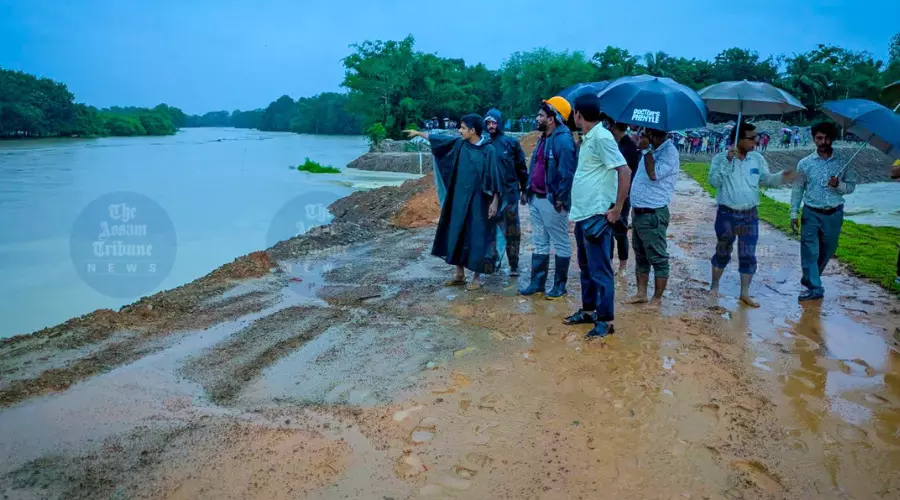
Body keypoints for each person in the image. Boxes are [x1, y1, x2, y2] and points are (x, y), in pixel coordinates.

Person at [404, 114, 504, 291]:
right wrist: (419, 133)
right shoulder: (460, 145)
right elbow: (440, 140)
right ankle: (459, 274)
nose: (460, 130)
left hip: (479, 203)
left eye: (463, 128)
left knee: (477, 237)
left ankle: (476, 278)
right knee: (457, 233)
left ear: (473, 131)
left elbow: (495, 178)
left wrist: (494, 202)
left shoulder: (489, 151)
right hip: (458, 199)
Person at [562, 95, 631, 338]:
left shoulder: (602, 137)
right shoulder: (590, 138)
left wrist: (617, 209)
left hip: (597, 216)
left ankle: (606, 321)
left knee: (600, 270)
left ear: (578, 114)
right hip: (584, 215)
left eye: (574, 114)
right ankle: (589, 310)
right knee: (586, 268)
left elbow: (625, 170)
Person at [708, 123, 796, 307]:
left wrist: (782, 176)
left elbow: (766, 180)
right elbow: (714, 182)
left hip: (750, 215)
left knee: (748, 254)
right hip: (726, 214)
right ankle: (714, 285)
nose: (756, 141)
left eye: (756, 137)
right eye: (751, 138)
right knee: (723, 251)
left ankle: (744, 294)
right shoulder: (720, 158)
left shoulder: (757, 158)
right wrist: (727, 161)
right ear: (738, 139)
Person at [790, 121, 858, 301]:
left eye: (827, 137)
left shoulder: (843, 162)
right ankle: (815, 288)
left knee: (827, 250)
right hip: (811, 212)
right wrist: (793, 213)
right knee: (810, 251)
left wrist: (839, 185)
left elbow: (851, 187)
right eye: (819, 138)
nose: (823, 141)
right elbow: (798, 189)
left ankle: (811, 278)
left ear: (833, 138)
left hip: (834, 213)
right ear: (814, 139)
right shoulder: (804, 164)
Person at [519, 96, 577, 299]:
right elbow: (536, 166)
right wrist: (527, 190)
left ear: (552, 119)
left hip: (552, 200)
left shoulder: (563, 140)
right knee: (540, 241)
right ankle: (537, 283)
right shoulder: (545, 137)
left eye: (541, 115)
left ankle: (559, 286)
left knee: (560, 242)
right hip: (537, 197)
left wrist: (561, 198)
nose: (537, 118)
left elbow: (567, 172)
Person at [627, 128, 680, 304]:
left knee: (658, 257)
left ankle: (656, 299)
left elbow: (653, 174)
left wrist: (646, 150)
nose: (642, 137)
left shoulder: (669, 152)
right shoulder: (653, 150)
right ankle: (641, 293)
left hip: (653, 213)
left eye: (645, 134)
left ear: (653, 135)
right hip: (640, 212)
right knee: (640, 255)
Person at [484, 109, 528, 276]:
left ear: (500, 123)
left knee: (512, 230)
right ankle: (490, 263)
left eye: (494, 122)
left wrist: (524, 190)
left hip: (509, 194)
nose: (491, 126)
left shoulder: (511, 143)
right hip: (487, 197)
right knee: (489, 231)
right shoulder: (483, 144)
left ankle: (514, 265)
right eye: (488, 123)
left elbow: (521, 169)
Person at [609, 121, 641, 274]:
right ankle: (609, 262)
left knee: (620, 230)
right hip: (610, 191)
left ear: (615, 127)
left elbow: (630, 172)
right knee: (608, 229)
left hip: (623, 193)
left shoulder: (629, 146)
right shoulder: (615, 143)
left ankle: (622, 266)